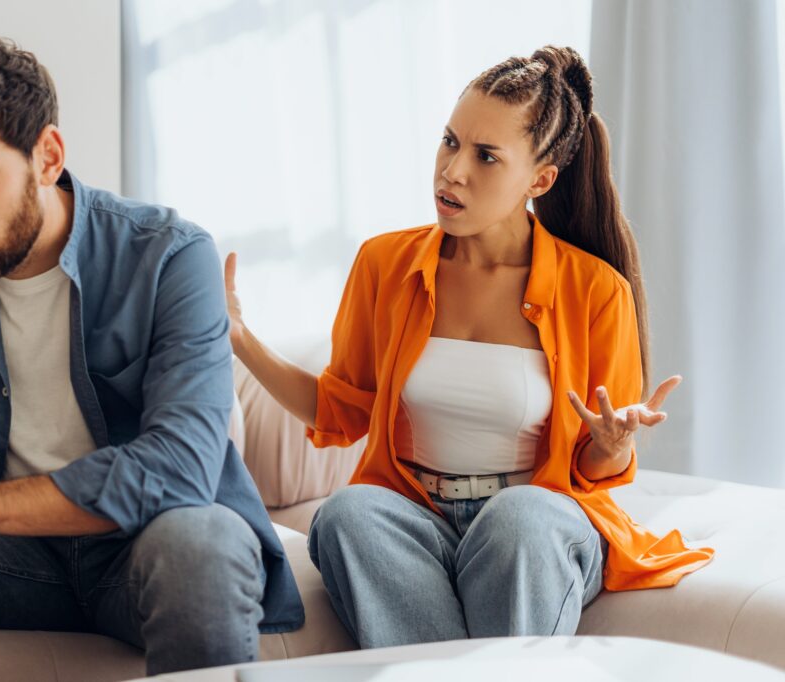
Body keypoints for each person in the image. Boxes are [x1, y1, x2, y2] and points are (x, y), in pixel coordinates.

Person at [0, 32, 303, 680]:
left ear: (47, 155)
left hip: (143, 550)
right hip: (7, 559)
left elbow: (181, 471)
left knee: (200, 539)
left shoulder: (170, 256)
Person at [224, 45, 713, 649]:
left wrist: (612, 446)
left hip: (538, 521)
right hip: (418, 515)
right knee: (348, 515)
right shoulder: (385, 264)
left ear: (539, 178)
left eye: (486, 156)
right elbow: (342, 409)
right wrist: (240, 340)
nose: (453, 171)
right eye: (450, 141)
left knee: (519, 517)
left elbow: (592, 471)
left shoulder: (595, 290)